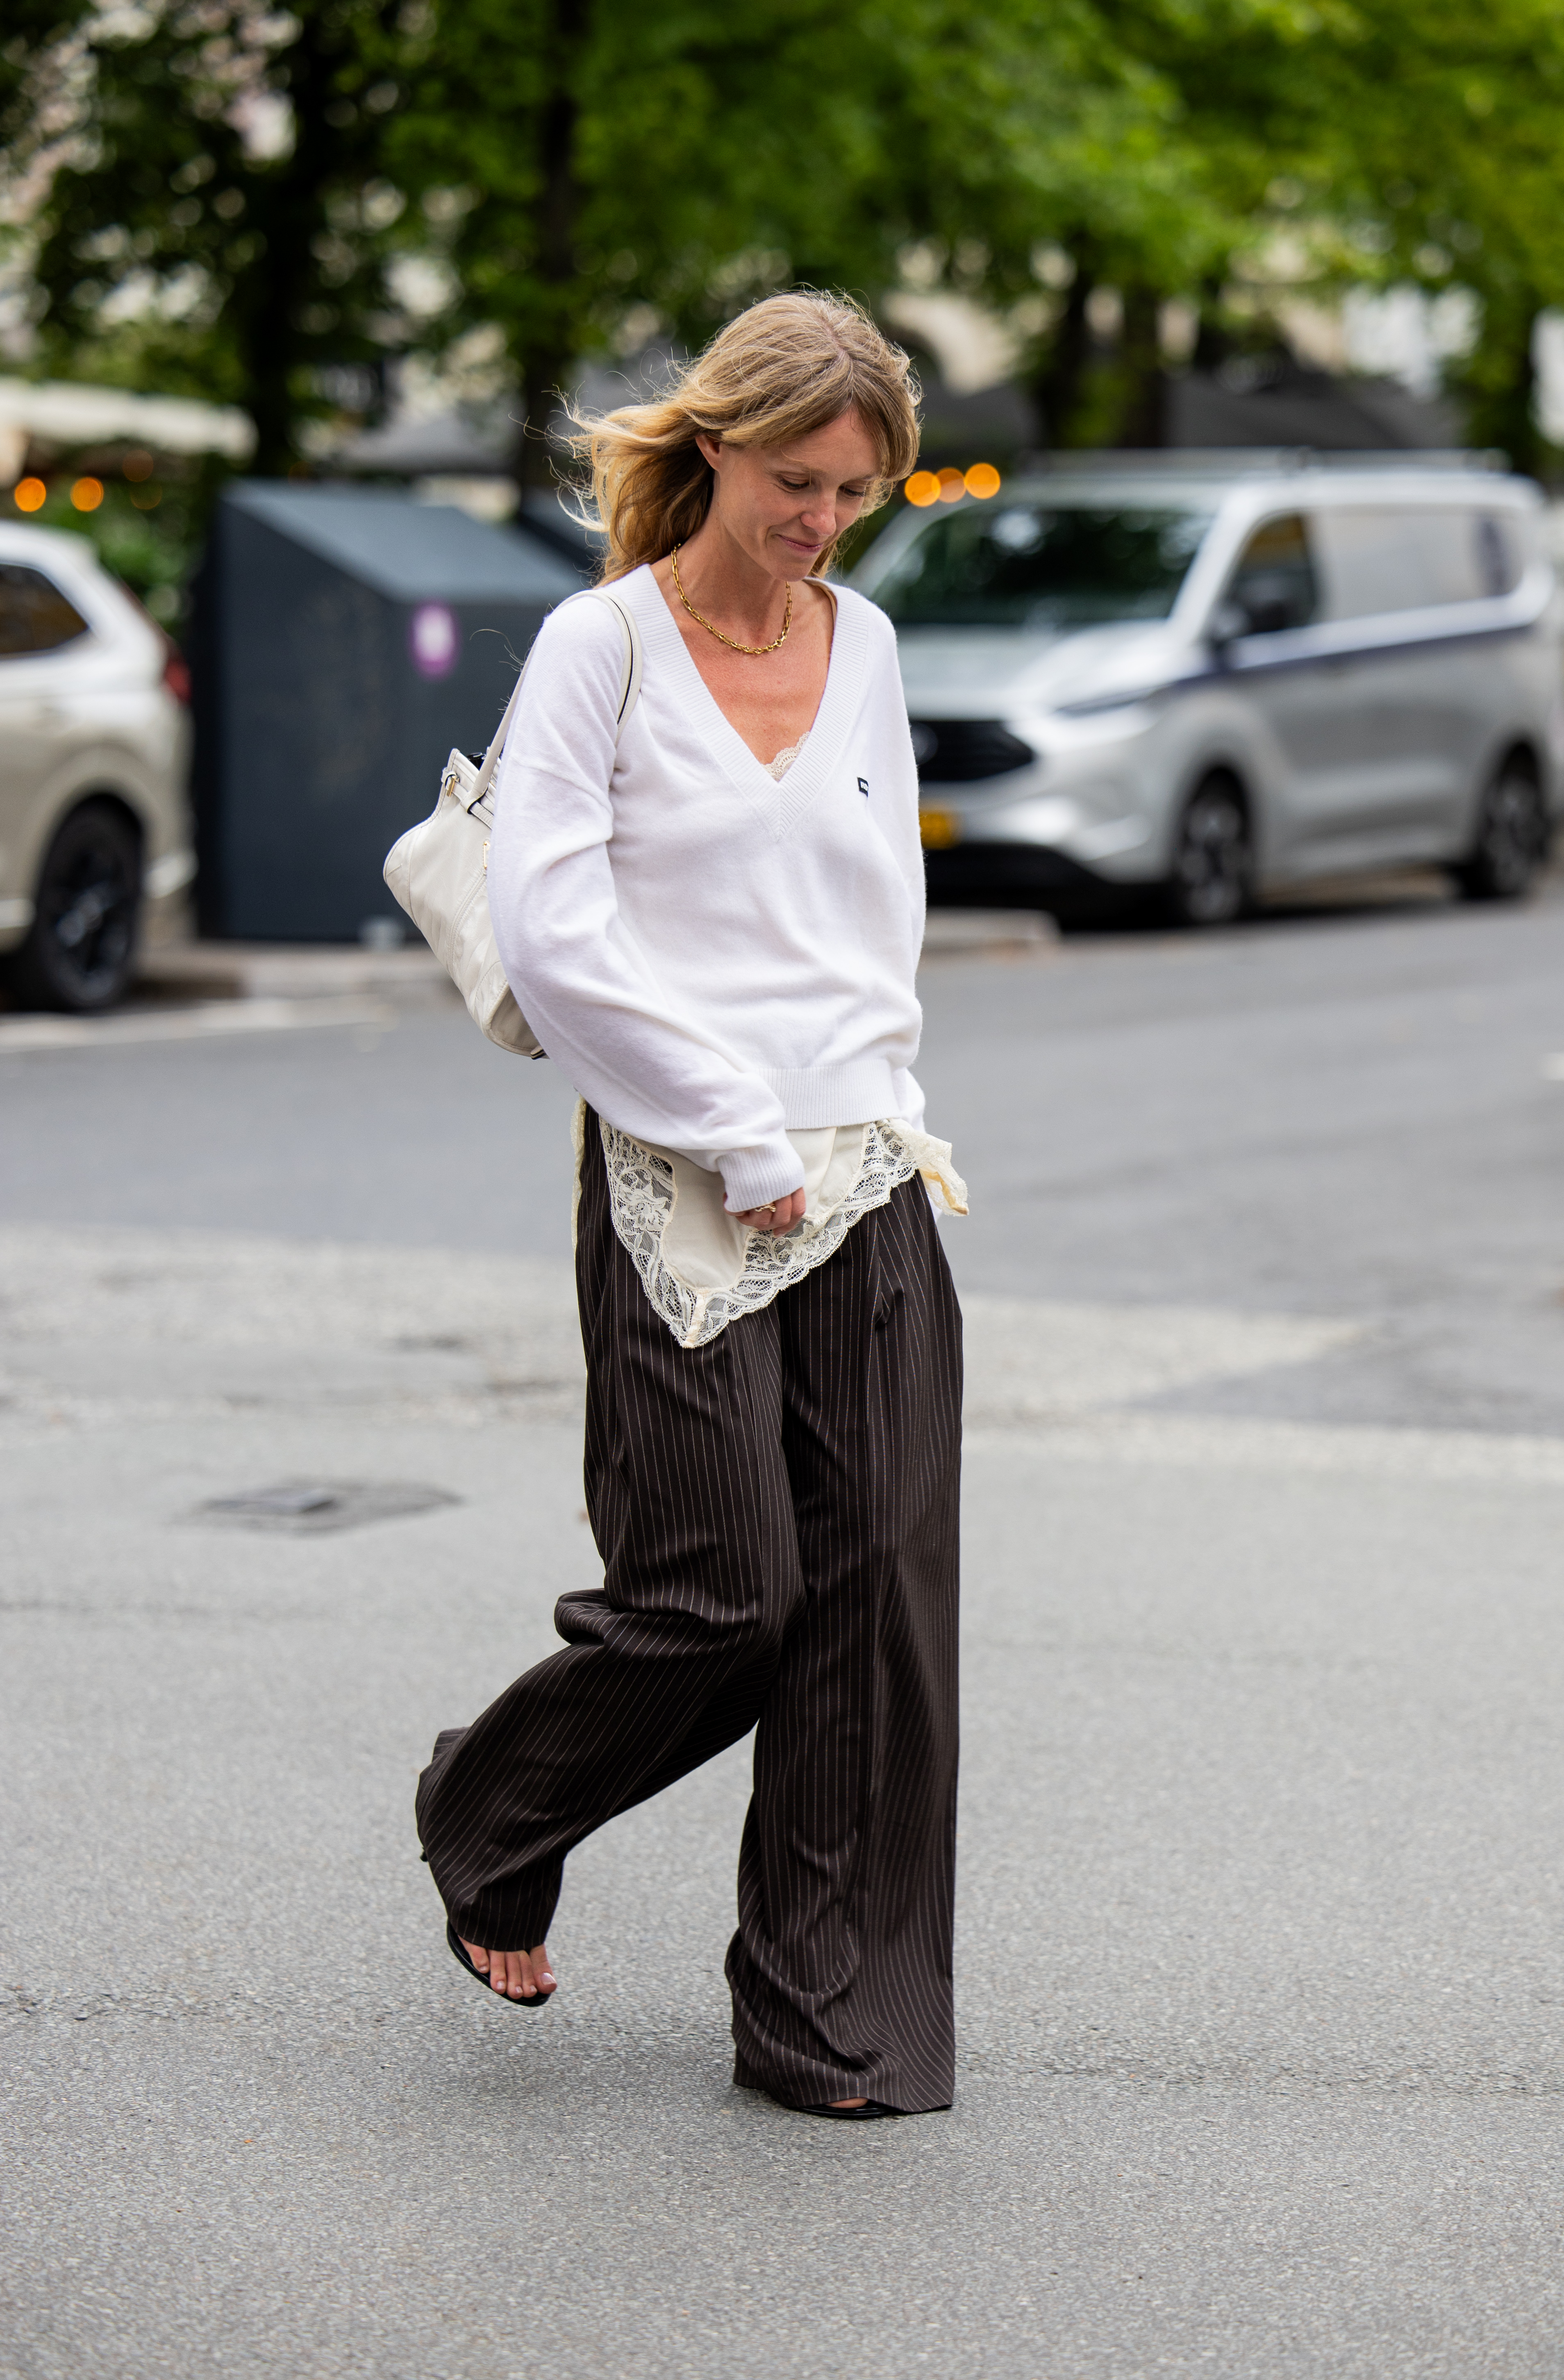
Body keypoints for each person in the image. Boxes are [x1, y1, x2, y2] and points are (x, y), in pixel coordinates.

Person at [415, 290, 967, 2119]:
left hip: (865, 1168)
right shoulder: (604, 649)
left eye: (856, 494)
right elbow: (560, 939)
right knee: (724, 1586)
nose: (822, 521)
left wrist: (869, 1118)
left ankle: (832, 2011)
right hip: (680, 1173)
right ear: (717, 443)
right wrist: (734, 1124)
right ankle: (491, 1807)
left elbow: (874, 906)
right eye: (799, 480)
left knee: (871, 1598)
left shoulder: (867, 642)